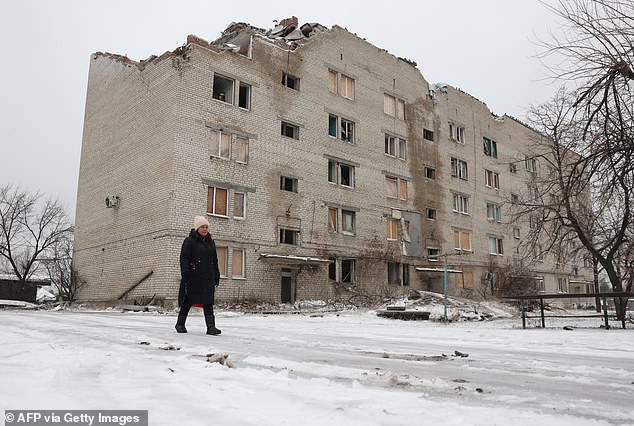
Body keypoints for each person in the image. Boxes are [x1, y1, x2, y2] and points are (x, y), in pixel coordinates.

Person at [175, 215, 221, 335]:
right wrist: (185, 272)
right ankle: (180, 324)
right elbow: (184, 258)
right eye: (202, 227)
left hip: (208, 277)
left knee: (208, 301)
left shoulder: (211, 242)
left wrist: (216, 274)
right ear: (197, 228)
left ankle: (211, 327)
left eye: (206, 227)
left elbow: (214, 260)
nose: (205, 229)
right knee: (189, 300)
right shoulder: (189, 241)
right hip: (193, 275)